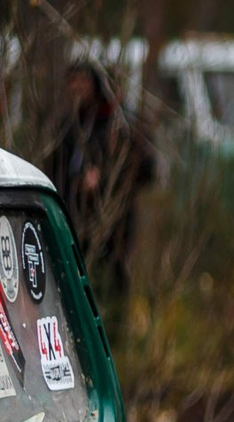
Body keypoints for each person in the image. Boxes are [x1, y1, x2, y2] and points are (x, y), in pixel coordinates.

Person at [42, 59, 156, 304]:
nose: (77, 88)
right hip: (73, 217)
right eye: (73, 81)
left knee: (111, 284)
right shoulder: (70, 125)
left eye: (83, 81)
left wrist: (103, 180)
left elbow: (146, 169)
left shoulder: (121, 125)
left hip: (112, 223)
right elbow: (54, 167)